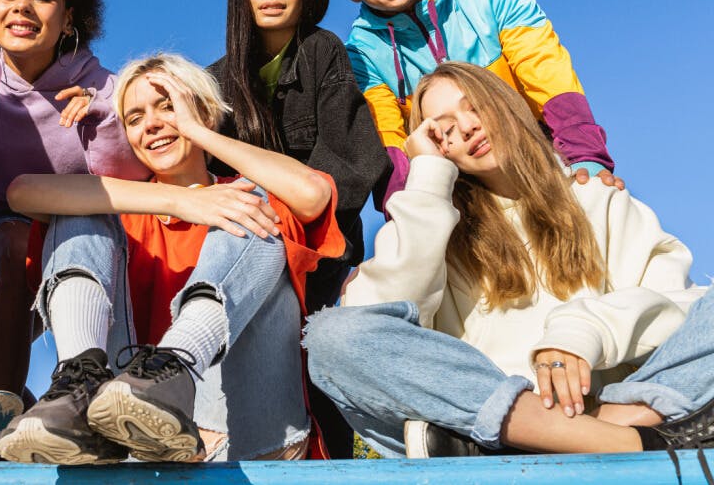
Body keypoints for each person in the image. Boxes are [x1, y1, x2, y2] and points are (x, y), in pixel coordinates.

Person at [303, 62, 713, 464]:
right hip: (490, 417)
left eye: (475, 107)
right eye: (443, 130)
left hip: (612, 401)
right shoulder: (435, 223)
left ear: (507, 105)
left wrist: (583, 330)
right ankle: (615, 440)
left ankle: (599, 428)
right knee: (332, 336)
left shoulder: (598, 199)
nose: (466, 128)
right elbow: (370, 322)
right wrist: (426, 177)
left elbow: (680, 309)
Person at [0, 54, 344, 464]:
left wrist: (197, 130)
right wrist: (183, 201)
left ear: (205, 112)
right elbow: (22, 193)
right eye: (135, 118)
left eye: (168, 107)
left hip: (248, 437)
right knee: (81, 211)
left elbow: (312, 194)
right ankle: (78, 388)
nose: (154, 124)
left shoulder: (246, 190)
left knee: (249, 203)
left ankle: (175, 368)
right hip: (138, 436)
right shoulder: (125, 217)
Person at [307, 0, 618, 206]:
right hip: (459, 197)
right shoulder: (361, 54)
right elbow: (388, 138)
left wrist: (586, 157)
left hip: (538, 158)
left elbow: (547, 72)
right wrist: (401, 213)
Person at [0, 0, 147, 444]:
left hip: (78, 228)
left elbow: (126, 180)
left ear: (68, 22)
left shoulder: (98, 83)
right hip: (0, 218)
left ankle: (47, 422)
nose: (23, 7)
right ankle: (6, 440)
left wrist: (103, 117)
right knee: (15, 247)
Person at [208, 0, 390, 458]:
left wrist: (290, 217)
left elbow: (350, 156)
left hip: (318, 250)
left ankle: (328, 460)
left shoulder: (321, 51)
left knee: (311, 364)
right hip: (247, 241)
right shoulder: (217, 80)